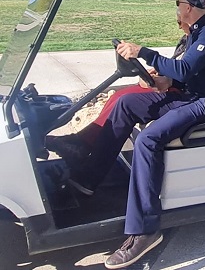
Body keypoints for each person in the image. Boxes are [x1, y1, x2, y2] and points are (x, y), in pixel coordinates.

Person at [64, 0, 205, 270]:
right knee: (125, 103)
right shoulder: (197, 32)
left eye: (179, 3)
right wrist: (166, 81)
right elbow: (190, 73)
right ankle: (89, 179)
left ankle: (145, 230)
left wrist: (143, 52)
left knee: (148, 139)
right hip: (191, 96)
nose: (177, 7)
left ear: (188, 7)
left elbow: (185, 70)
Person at [44, 17, 190, 163]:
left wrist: (168, 80)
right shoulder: (186, 40)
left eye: (180, 22)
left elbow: (188, 75)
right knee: (118, 96)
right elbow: (174, 66)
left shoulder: (198, 45)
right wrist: (159, 73)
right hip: (172, 86)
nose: (179, 27)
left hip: (181, 94)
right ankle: (81, 139)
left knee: (124, 101)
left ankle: (86, 150)